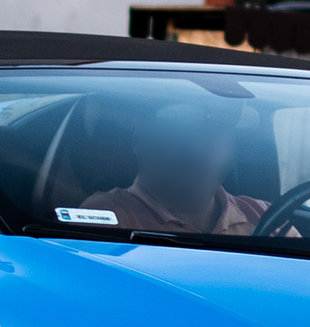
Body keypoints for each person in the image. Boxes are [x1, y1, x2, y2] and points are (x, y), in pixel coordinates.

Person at [79, 101, 268, 235]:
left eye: (217, 133)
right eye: (182, 130)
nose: (199, 148)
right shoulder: (105, 217)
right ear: (138, 136)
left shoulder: (264, 215)